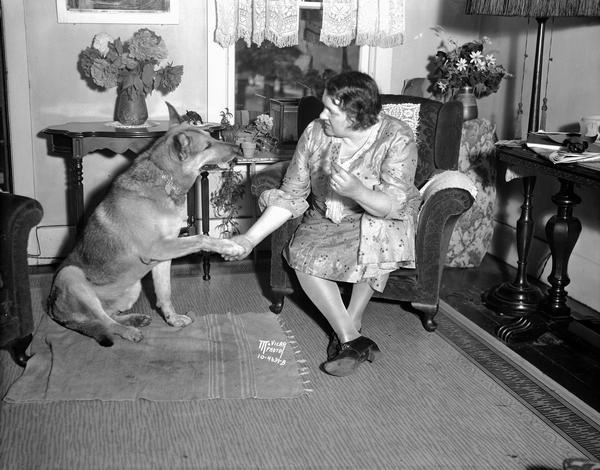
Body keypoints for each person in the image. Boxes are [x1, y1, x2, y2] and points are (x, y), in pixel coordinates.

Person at [224, 71, 421, 376]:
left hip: (380, 216)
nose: (321, 114)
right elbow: (291, 195)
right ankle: (351, 337)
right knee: (301, 255)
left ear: (356, 116)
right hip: (326, 214)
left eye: (332, 110)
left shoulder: (397, 137)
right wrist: (249, 239)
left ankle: (350, 325)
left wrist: (357, 191)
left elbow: (393, 204)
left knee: (381, 233)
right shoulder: (316, 133)